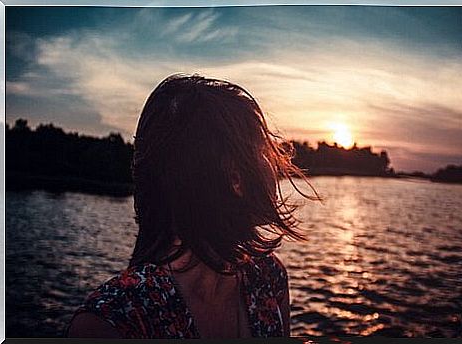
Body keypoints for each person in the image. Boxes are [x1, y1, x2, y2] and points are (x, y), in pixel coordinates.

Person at [66, 74, 320, 339]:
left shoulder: (269, 277)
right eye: (264, 151)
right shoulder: (114, 321)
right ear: (235, 178)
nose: (275, 165)